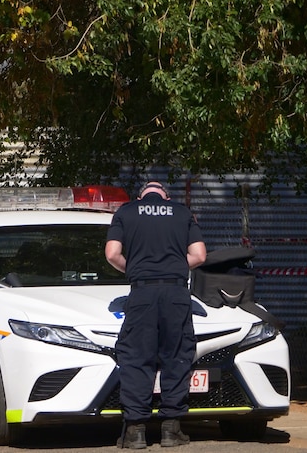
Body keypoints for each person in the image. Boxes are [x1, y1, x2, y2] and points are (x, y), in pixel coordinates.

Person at [104, 181, 207, 449]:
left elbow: (112, 253)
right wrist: (171, 267)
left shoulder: (126, 212)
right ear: (166, 196)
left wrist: (137, 269)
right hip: (176, 294)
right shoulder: (182, 212)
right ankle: (171, 430)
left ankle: (136, 432)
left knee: (137, 358)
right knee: (176, 357)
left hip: (142, 294)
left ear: (141, 197)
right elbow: (199, 255)